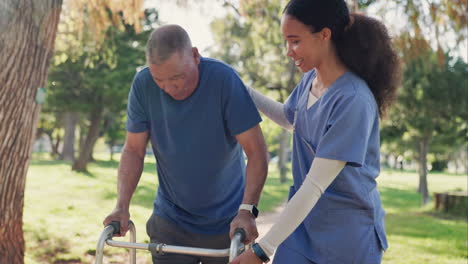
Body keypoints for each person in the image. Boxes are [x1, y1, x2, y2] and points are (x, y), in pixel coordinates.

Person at [231, 0, 400, 263]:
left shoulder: (353, 100)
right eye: (286, 41)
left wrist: (262, 249)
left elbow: (314, 184)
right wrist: (243, 89)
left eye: (295, 41)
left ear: (324, 35)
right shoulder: (310, 80)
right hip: (304, 224)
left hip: (347, 236)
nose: (289, 51)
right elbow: (290, 119)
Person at [103, 24, 269, 264]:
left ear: (195, 55)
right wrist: (121, 206)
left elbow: (256, 152)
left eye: (177, 77)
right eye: (160, 80)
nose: (170, 88)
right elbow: (133, 150)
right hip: (171, 222)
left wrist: (247, 210)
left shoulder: (224, 80)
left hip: (229, 223)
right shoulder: (143, 84)